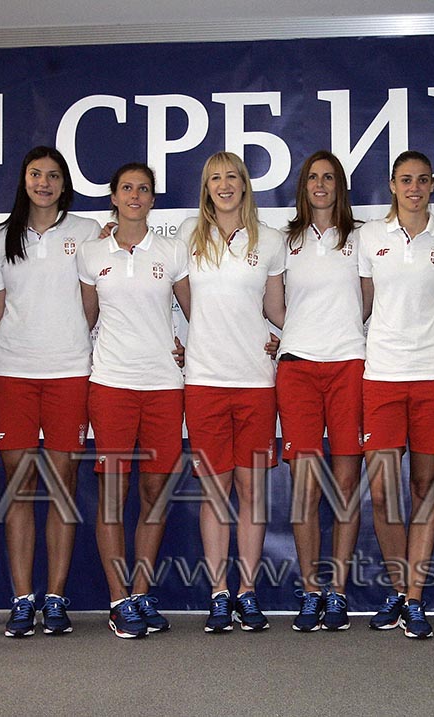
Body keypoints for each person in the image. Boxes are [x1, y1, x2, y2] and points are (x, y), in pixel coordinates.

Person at [0, 146, 101, 637]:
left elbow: (92, 306)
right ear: (24, 180)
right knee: (19, 487)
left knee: (61, 486)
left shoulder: (88, 232)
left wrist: (70, 339)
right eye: (35, 174)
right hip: (12, 371)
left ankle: (54, 597)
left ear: (64, 184)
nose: (44, 183)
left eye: (53, 175)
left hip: (69, 372)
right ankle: (21, 599)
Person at [78, 163, 191, 638]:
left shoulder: (172, 250)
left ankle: (140, 593)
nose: (135, 196)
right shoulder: (91, 253)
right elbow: (84, 320)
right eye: (127, 188)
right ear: (114, 196)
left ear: (152, 199)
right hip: (111, 385)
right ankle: (117, 599)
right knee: (112, 495)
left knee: (153, 495)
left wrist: (191, 345)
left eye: (144, 189)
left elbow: (199, 313)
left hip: (163, 385)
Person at [359, 150, 434, 640]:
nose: (415, 188)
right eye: (406, 180)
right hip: (382, 374)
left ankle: (415, 598)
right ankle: (399, 590)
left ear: (432, 186)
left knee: (424, 488)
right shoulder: (369, 236)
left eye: (423, 180)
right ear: (392, 185)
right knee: (383, 492)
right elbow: (361, 303)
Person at [180, 151, 286, 633]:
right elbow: (182, 299)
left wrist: (289, 338)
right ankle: (219, 593)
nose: (224, 185)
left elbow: (277, 310)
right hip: (204, 381)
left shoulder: (271, 241)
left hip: (255, 383)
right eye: (215, 179)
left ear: (244, 184)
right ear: (206, 188)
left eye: (231, 177)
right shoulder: (188, 235)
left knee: (252, 492)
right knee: (215, 491)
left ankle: (248, 592)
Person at [278, 151, 366, 632]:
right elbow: (273, 303)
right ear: (303, 186)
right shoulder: (283, 240)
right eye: (313, 177)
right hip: (298, 369)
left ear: (339, 185)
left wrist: (343, 330)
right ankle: (311, 591)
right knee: (305, 488)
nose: (320, 184)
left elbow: (367, 299)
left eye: (329, 177)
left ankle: (339, 593)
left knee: (346, 485)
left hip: (349, 365)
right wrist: (295, 330)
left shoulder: (362, 237)